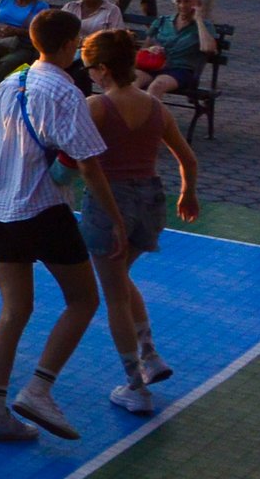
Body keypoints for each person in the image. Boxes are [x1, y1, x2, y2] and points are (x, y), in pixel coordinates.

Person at [0, 9, 125, 442]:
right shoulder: (66, 91)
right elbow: (88, 162)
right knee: (83, 300)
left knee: (14, 311)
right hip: (43, 209)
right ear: (67, 45)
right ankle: (39, 387)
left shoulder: (12, 81)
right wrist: (114, 218)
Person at [80, 27, 201, 415]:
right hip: (150, 200)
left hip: (110, 203)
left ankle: (135, 385)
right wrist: (188, 192)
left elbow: (85, 165)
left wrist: (112, 216)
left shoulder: (96, 107)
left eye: (89, 69)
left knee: (112, 293)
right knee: (122, 278)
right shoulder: (156, 107)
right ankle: (149, 355)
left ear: (102, 69)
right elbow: (189, 160)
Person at [142, 0, 219, 102]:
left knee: (156, 86)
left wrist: (198, 20)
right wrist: (151, 49)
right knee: (128, 82)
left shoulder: (205, 26)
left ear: (198, 4)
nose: (182, 5)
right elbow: (144, 47)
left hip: (181, 70)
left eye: (187, 1)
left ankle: (153, 120)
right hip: (155, 65)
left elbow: (208, 48)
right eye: (178, 1)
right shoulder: (163, 21)